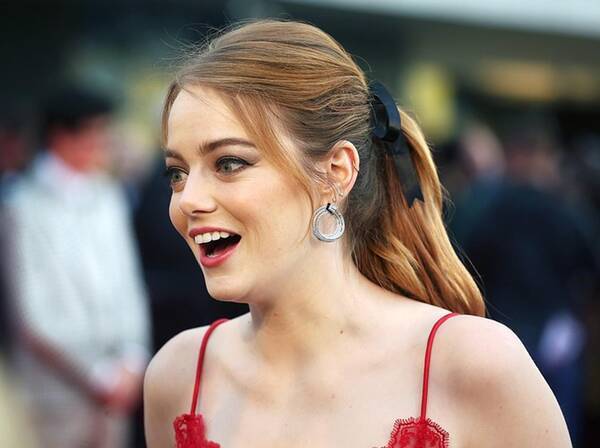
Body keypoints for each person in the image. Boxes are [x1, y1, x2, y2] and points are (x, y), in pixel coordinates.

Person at [144, 20, 571, 447]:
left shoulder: (474, 366)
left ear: (336, 172)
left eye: (229, 163)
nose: (187, 200)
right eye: (177, 173)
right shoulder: (178, 376)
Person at [1, 85, 151, 448]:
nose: (104, 143)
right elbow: (33, 313)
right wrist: (98, 375)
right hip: (54, 396)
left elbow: (129, 282)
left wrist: (133, 358)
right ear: (62, 136)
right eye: (95, 132)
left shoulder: (108, 196)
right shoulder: (22, 207)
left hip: (119, 392)